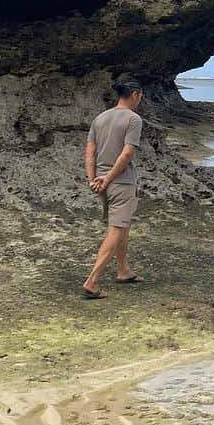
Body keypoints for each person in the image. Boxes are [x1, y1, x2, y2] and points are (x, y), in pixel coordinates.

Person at [81, 78, 144, 299]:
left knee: (122, 225)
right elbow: (127, 153)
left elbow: (89, 152)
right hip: (121, 182)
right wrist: (108, 178)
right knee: (116, 229)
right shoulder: (133, 119)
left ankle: (123, 270)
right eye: (140, 96)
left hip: (101, 182)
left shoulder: (100, 118)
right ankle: (92, 280)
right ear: (135, 95)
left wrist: (93, 179)